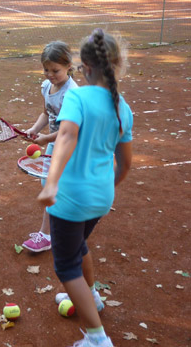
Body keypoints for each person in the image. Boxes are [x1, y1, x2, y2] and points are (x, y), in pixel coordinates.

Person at [37, 29, 133, 347]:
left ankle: (97, 339)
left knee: (66, 266)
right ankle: (93, 296)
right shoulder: (123, 108)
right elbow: (125, 164)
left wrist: (51, 183)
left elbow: (66, 136)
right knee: (78, 247)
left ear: (85, 68)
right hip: (101, 198)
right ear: (116, 65)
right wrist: (106, 187)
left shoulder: (77, 96)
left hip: (70, 197)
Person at [22, 41, 79, 252]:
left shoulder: (72, 94)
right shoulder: (47, 86)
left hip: (70, 146)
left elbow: (69, 129)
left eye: (55, 70)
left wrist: (46, 139)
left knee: (52, 188)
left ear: (69, 67)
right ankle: (66, 222)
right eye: (46, 70)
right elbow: (47, 114)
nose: (50, 74)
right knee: (52, 186)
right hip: (55, 143)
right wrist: (34, 129)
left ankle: (47, 235)